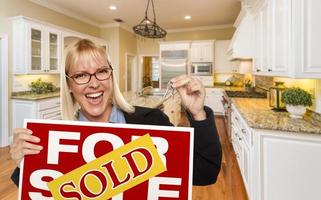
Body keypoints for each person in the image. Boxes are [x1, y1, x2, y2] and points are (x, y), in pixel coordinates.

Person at [10, 39, 222, 186]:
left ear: (110, 76)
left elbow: (205, 172)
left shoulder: (153, 121)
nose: (94, 83)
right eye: (81, 75)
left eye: (101, 71)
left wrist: (198, 113)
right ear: (69, 85)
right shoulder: (53, 141)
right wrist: (25, 166)